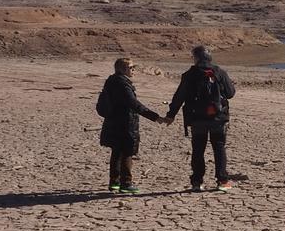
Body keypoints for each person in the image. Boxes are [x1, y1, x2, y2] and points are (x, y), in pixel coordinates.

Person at [164, 46, 237, 191]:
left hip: (197, 118)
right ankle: (222, 181)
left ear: (196, 58)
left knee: (198, 149)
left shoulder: (189, 75)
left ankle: (197, 182)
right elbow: (230, 93)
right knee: (219, 147)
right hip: (218, 118)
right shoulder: (219, 72)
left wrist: (170, 115)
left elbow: (179, 97)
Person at [98, 57, 165, 194]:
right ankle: (126, 183)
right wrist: (155, 117)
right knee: (127, 151)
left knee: (117, 152)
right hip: (124, 123)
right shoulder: (122, 84)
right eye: (131, 67)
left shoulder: (112, 81)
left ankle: (114, 182)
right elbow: (134, 104)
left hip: (113, 122)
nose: (134, 70)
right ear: (123, 69)